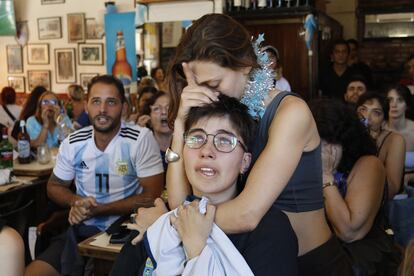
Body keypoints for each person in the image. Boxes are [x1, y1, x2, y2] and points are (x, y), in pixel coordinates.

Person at [136, 14, 352, 275]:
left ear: (246, 65)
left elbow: (246, 215)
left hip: (311, 264)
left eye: (214, 84)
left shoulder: (291, 113)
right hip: (244, 258)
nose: (209, 96)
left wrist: (166, 225)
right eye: (198, 85)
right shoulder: (224, 115)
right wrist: (181, 123)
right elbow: (181, 200)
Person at [111, 95, 298, 275]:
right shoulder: (159, 221)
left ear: (245, 162)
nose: (206, 151)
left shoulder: (270, 230)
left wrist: (196, 249)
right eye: (196, 138)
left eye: (224, 141)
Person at [24, 75, 165, 276]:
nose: (103, 110)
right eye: (96, 101)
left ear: (124, 107)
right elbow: (54, 186)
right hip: (80, 229)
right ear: (86, 105)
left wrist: (99, 209)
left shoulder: (140, 139)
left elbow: (152, 198)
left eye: (111, 102)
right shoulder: (73, 142)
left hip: (126, 230)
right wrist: (76, 202)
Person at [311, 99, 400, 275]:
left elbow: (349, 232)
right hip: (318, 250)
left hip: (359, 259)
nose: (321, 150)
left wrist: (326, 176)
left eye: (327, 142)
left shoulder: (369, 164)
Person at [356, 92, 405, 198]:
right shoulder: (349, 137)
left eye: (376, 113)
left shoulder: (395, 140)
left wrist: (368, 146)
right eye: (363, 109)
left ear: (384, 121)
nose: (367, 117)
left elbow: (392, 189)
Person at [385, 84, 414, 185]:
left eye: (400, 100)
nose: (394, 104)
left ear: (407, 105)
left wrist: (410, 177)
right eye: (390, 100)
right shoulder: (377, 129)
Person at [140, 91, 172, 171]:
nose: (164, 112)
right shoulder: (142, 148)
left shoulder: (185, 147)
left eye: (169, 108)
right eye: (157, 109)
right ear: (148, 118)